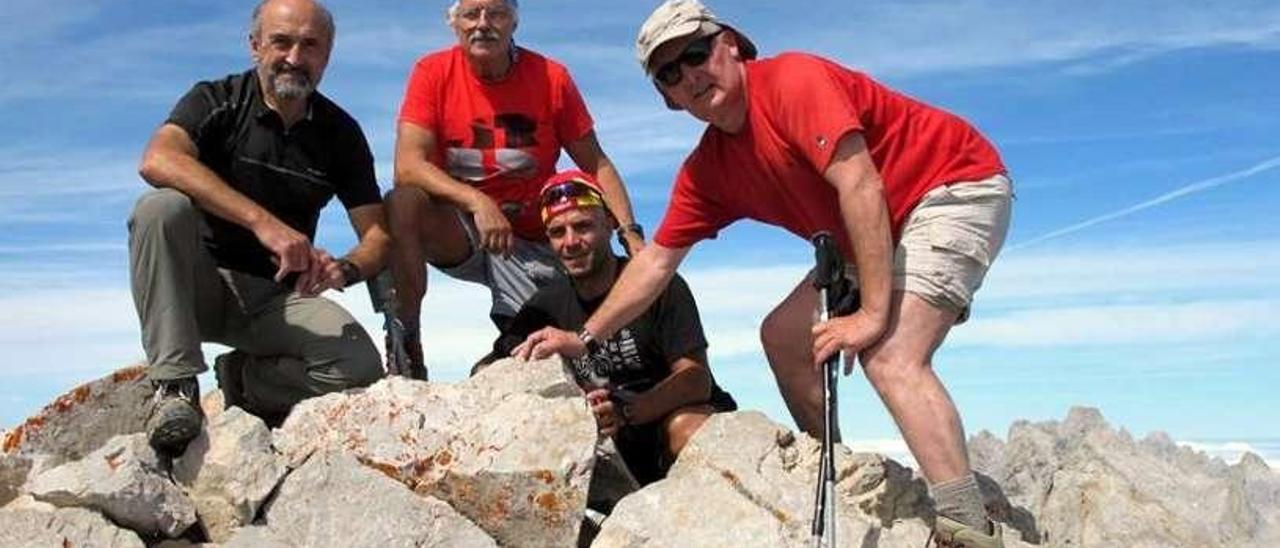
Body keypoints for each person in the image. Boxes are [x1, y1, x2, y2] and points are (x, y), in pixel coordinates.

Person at [515, 1, 1013, 545]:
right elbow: (655, 261)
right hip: (866, 230)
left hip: (949, 186)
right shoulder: (708, 170)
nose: (690, 74)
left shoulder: (794, 80)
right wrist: (584, 338)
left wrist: (872, 314)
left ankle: (966, 525)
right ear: (669, 98)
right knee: (782, 336)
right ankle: (839, 471)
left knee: (891, 355)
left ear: (731, 44)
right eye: (671, 73)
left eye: (697, 52)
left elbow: (860, 185)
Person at [130, 0, 389, 454]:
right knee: (160, 209)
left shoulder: (341, 133)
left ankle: (243, 381)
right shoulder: (217, 100)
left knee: (358, 366)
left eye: (310, 45)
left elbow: (378, 237)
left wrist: (344, 270)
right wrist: (262, 223)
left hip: (275, 297)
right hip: (198, 286)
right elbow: (158, 159)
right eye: (281, 42)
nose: (294, 57)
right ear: (255, 46)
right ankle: (174, 389)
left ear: (327, 55)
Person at [385, 0, 645, 379]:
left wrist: (630, 235)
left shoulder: (551, 77)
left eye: (496, 14)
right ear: (454, 23)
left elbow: (597, 163)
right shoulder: (432, 72)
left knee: (551, 351)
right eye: (471, 14)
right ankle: (406, 344)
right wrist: (478, 201)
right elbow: (407, 166)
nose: (483, 24)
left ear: (514, 22)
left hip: (538, 238)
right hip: (469, 231)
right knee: (403, 203)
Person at [486, 170, 735, 485]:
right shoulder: (545, 306)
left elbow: (696, 379)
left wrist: (629, 411)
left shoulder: (657, 285)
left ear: (609, 223)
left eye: (583, 226)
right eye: (557, 232)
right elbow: (489, 369)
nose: (571, 242)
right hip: (608, 444)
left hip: (665, 421)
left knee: (686, 429)